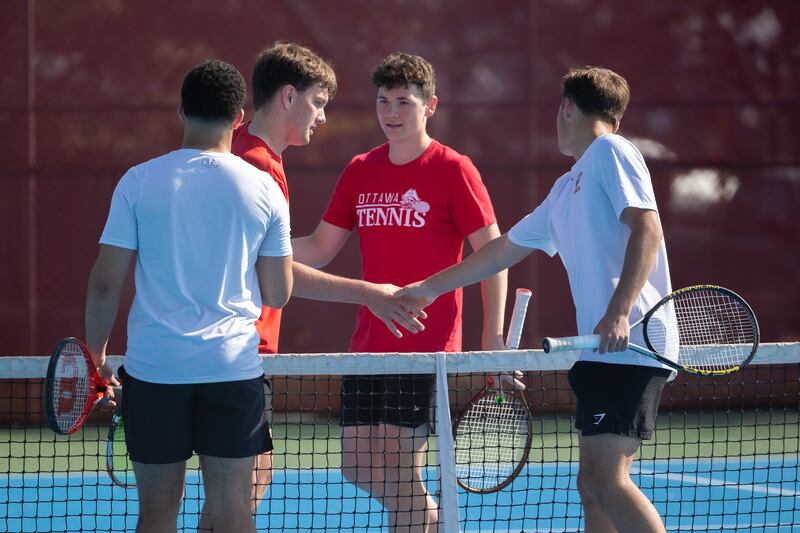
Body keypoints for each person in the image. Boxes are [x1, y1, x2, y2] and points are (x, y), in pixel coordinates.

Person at [397, 66, 672, 532]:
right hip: (599, 351)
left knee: (606, 480)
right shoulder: (565, 189)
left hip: (631, 342)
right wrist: (427, 288)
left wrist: (620, 311)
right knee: (592, 486)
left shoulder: (610, 150)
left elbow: (647, 226)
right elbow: (501, 251)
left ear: (566, 107)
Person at [197, 42, 426, 533]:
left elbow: (261, 257)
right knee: (239, 499)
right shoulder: (259, 167)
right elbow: (275, 277)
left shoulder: (230, 147)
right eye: (318, 102)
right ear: (287, 97)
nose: (322, 116)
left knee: (226, 499)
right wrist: (372, 294)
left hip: (211, 350)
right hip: (239, 353)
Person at [292, 52, 508, 533]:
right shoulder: (359, 170)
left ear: (430, 106)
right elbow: (319, 247)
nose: (391, 112)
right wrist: (255, 250)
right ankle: (430, 521)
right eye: (383, 101)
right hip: (368, 345)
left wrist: (492, 336)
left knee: (398, 466)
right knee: (355, 464)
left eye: (403, 102)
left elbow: (493, 257)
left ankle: (424, 522)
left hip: (424, 347)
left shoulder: (455, 169)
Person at [85, 59, 293, 533]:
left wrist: (96, 353)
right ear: (239, 117)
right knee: (232, 512)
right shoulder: (265, 188)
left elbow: (103, 282)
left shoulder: (138, 181)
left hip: (155, 371)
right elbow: (278, 293)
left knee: (157, 515)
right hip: (232, 370)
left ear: (180, 111)